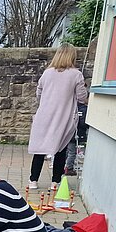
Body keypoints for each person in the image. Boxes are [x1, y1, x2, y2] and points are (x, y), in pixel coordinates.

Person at [28, 43, 88, 189]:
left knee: (40, 149)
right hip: (64, 116)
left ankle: (33, 181)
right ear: (72, 56)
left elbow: (39, 94)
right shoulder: (76, 74)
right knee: (61, 148)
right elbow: (81, 97)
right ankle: (55, 182)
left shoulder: (47, 73)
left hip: (44, 115)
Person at [64, 98, 89, 176]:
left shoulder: (71, 107)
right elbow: (83, 123)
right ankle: (69, 167)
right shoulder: (83, 109)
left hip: (69, 133)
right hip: (77, 133)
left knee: (68, 151)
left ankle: (65, 165)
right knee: (72, 152)